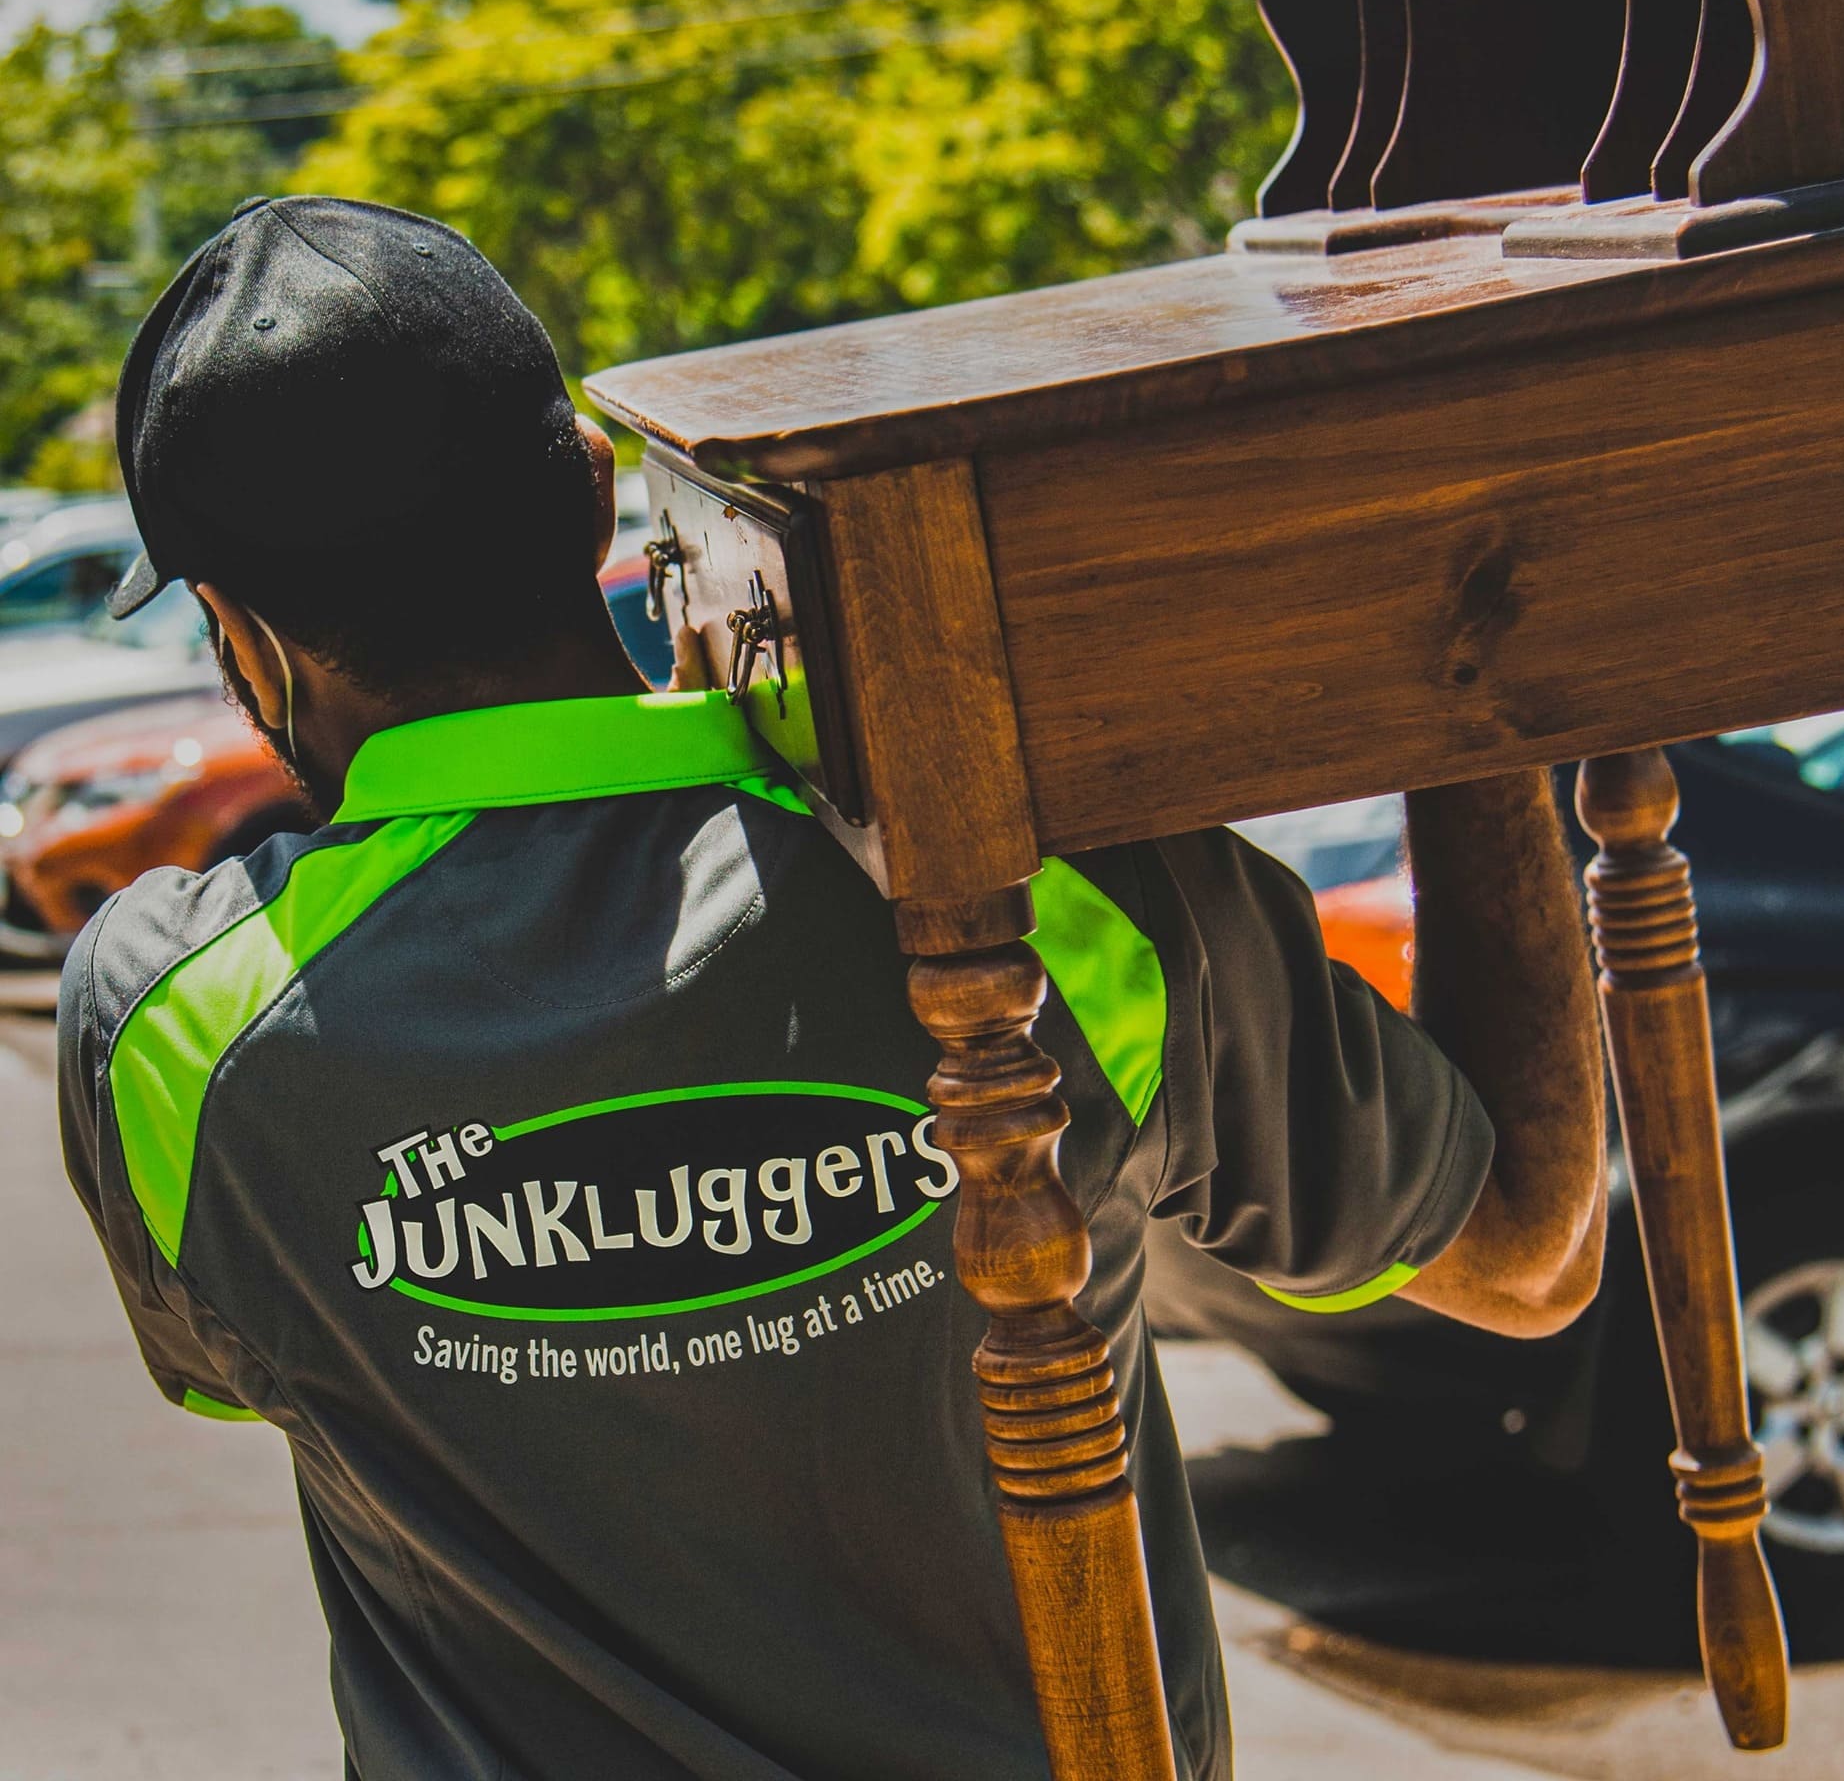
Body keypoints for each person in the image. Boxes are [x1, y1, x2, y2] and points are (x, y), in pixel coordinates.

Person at [60, 195, 1606, 1781]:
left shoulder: (174, 1034)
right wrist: (1481, 688)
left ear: (238, 638)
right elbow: (1529, 1256)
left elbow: (242, 1366)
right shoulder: (1028, 886)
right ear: (595, 495)